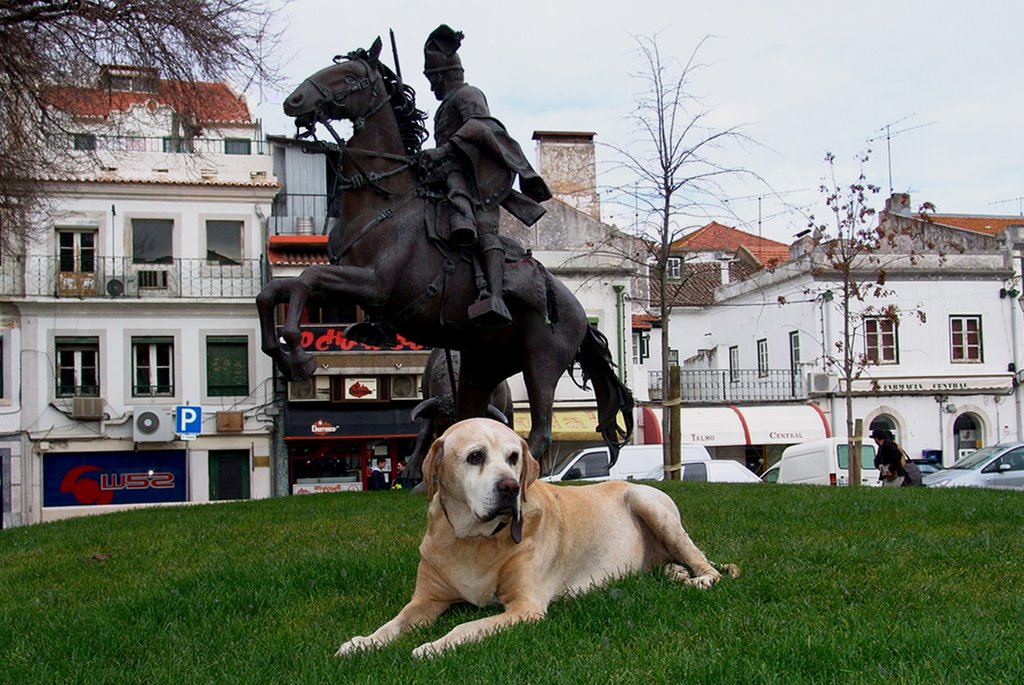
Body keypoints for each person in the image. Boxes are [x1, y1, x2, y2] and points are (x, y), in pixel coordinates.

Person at [418, 24, 552, 327]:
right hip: (447, 177)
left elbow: (480, 127)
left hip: (478, 183)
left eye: (432, 79)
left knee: (484, 230)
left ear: (444, 75)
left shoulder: (468, 94)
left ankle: (495, 297)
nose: (431, 88)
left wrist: (444, 150)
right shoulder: (445, 107)